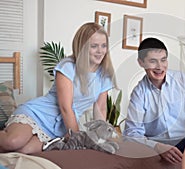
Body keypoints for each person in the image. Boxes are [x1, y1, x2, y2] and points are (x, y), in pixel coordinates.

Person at [0, 22, 115, 154]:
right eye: (94, 46)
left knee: (23, 150)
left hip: (58, 128)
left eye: (104, 46)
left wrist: (100, 138)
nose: (100, 51)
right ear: (82, 47)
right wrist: (79, 139)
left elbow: (100, 108)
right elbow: (66, 107)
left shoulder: (105, 75)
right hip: (38, 114)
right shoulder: (67, 66)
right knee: (13, 142)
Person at [123, 37, 185, 164]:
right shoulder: (139, 93)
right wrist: (158, 147)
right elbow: (131, 133)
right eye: (153, 61)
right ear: (141, 62)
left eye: (163, 60)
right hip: (155, 145)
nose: (160, 67)